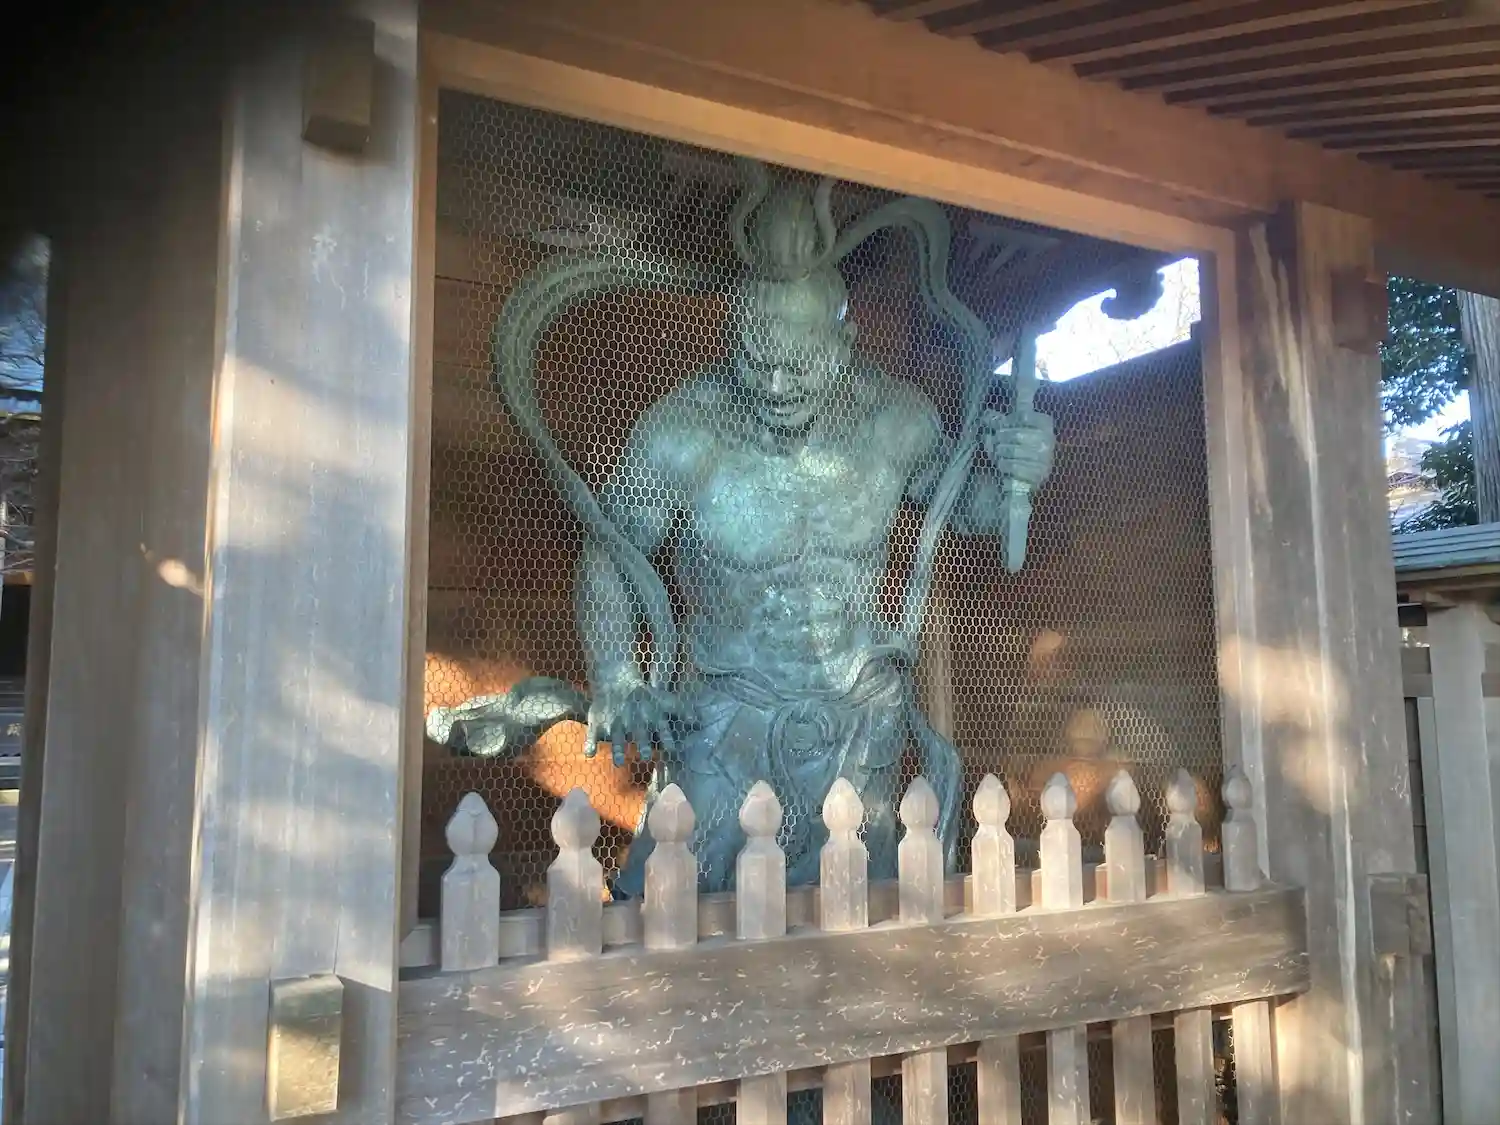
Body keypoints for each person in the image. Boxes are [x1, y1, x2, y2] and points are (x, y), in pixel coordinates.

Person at [582, 185, 1057, 896]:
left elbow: (975, 512)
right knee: (674, 906)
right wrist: (616, 674)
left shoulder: (896, 422)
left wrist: (1022, 470)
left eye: (801, 363)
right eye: (756, 361)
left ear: (843, 342)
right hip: (727, 722)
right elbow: (610, 555)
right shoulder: (684, 432)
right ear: (730, 340)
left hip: (860, 725)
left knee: (861, 911)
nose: (777, 385)